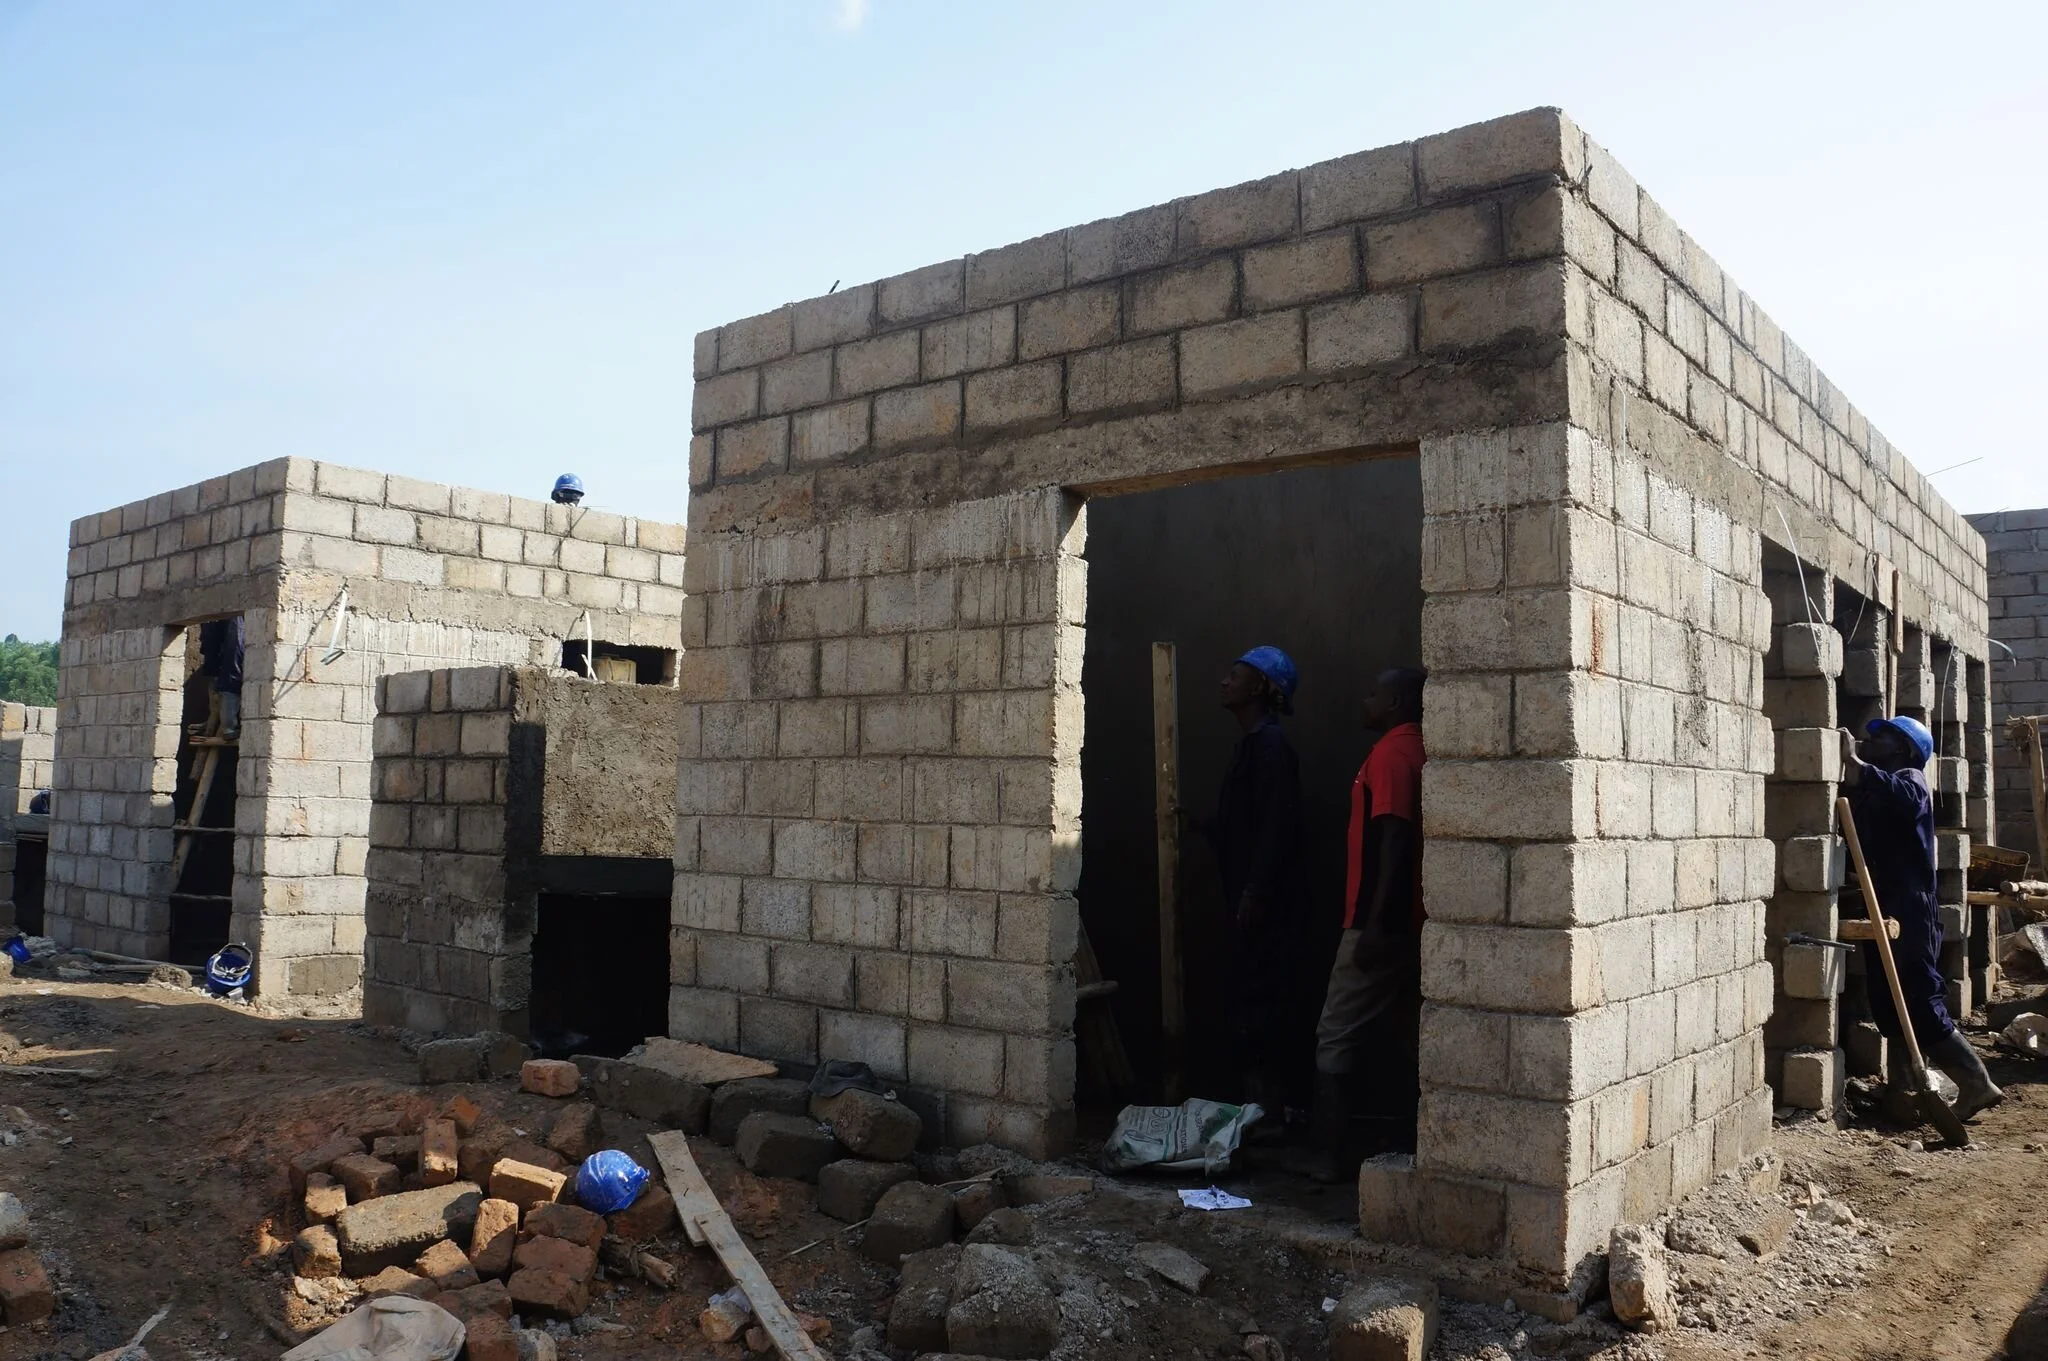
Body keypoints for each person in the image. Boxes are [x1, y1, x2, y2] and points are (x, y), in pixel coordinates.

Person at [1841, 715, 2003, 1124]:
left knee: (1917, 996)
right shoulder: (1880, 787)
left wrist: (1857, 767)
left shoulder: (1911, 778)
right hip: (1879, 900)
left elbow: (1904, 797)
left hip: (1910, 906)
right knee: (1887, 1001)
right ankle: (1907, 1092)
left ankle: (1976, 1082)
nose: (1869, 740)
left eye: (1881, 738)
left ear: (1903, 747)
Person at [1307, 667, 1427, 1180]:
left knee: (1335, 1032)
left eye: (1373, 693)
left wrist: (1376, 925)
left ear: (1396, 701)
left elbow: (1394, 841)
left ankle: (1326, 1160)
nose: (1364, 699)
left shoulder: (1393, 755)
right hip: (1404, 922)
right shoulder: (1412, 749)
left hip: (1378, 924)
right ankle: (1411, 1141)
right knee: (1408, 1030)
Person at [1207, 646, 1308, 1125]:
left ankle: (1266, 1115)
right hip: (1248, 899)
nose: (1224, 682)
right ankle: (1257, 1113)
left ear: (1260, 688)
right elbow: (1244, 825)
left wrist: (1255, 892)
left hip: (1264, 907)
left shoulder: (1270, 747)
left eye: (1234, 674)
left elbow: (1276, 827)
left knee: (1261, 1003)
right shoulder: (1252, 745)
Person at [197, 616, 245, 740]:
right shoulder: (236, 618)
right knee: (232, 666)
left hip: (218, 669)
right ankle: (229, 726)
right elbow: (235, 647)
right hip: (228, 673)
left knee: (219, 667)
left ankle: (220, 719)